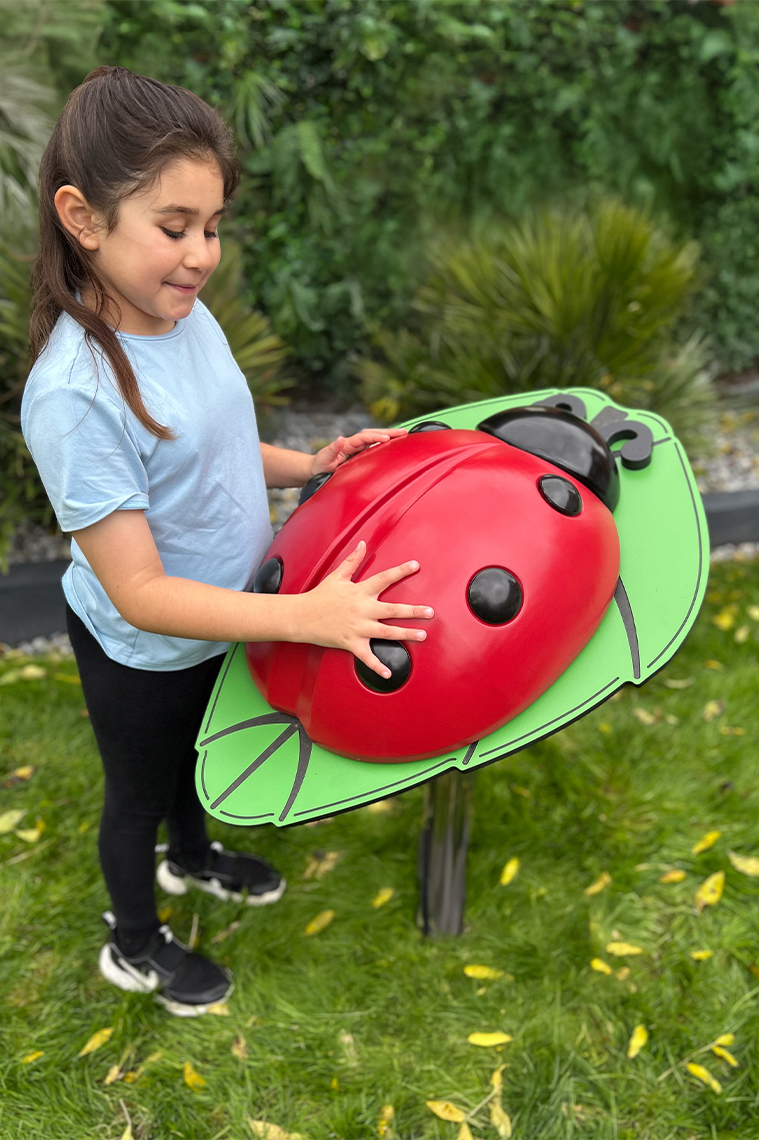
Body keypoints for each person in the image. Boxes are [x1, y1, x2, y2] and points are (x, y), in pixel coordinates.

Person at [20, 66, 434, 1017]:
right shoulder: (76, 395)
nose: (201, 254)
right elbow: (140, 592)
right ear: (83, 218)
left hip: (228, 616)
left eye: (211, 227)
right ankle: (134, 942)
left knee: (201, 754)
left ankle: (193, 858)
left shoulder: (181, 314)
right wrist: (306, 616)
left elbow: (209, 447)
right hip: (146, 647)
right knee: (139, 789)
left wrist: (312, 466)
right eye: (174, 228)